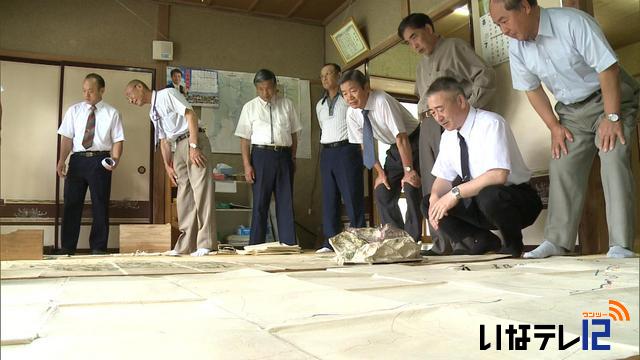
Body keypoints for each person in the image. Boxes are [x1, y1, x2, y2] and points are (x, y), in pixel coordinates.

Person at [489, 0, 640, 258]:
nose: (504, 30)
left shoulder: (573, 22)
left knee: (612, 157)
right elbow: (532, 89)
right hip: (571, 111)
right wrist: (554, 127)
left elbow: (608, 69)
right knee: (561, 162)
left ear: (525, 6)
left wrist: (612, 117)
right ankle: (556, 242)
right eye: (497, 24)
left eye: (504, 20)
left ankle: (620, 245)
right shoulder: (517, 46)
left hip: (609, 99)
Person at [398, 13, 497, 255]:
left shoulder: (454, 47)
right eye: (408, 43)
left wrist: (470, 111)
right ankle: (441, 244)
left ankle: (466, 241)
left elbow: (486, 76)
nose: (414, 45)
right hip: (427, 126)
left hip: (450, 123)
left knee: (456, 181)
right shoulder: (422, 65)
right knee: (432, 185)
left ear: (429, 28)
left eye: (415, 37)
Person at [426, 77, 542, 257]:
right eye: (432, 112)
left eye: (440, 109)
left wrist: (454, 194)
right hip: (480, 203)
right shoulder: (448, 137)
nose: (438, 117)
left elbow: (498, 176)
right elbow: (443, 178)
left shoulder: (491, 123)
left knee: (489, 194)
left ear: (460, 101)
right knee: (428, 202)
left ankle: (513, 246)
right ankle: (481, 240)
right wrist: (435, 198)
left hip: (516, 199)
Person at [125, 79, 216, 256]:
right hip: (178, 147)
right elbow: (163, 140)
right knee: (184, 196)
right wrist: (167, 166)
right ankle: (186, 246)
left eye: (130, 95)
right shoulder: (153, 112)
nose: (130, 100)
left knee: (202, 191)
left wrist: (194, 146)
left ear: (139, 87)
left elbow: (190, 115)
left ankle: (206, 243)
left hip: (192, 140)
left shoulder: (167, 94)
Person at [339, 70, 423, 242]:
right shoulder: (352, 113)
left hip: (414, 141)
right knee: (382, 191)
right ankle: (395, 237)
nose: (349, 97)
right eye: (345, 94)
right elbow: (365, 145)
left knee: (411, 186)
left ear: (366, 87)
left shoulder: (381, 100)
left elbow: (402, 137)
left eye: (353, 91)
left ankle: (412, 239)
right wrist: (380, 173)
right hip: (394, 148)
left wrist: (408, 171)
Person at [56, 73, 124, 255]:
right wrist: (62, 160)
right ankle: (67, 247)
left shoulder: (112, 113)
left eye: (91, 91)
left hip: (100, 160)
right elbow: (67, 138)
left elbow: (118, 140)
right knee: (71, 203)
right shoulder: (74, 110)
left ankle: (98, 247)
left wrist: (115, 160)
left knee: (100, 204)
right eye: (84, 91)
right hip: (77, 160)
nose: (86, 95)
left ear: (102, 90)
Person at [235, 69, 302, 246]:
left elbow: (294, 135)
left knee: (285, 202)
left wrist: (293, 158)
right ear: (257, 89)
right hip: (261, 157)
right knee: (260, 204)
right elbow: (244, 139)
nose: (266, 93)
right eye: (261, 89)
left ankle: (288, 244)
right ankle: (255, 245)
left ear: (275, 86)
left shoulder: (287, 104)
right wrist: (247, 165)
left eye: (269, 88)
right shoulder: (249, 107)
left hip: (284, 155)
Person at [315, 63, 365, 253]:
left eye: (328, 74)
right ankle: (330, 242)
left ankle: (359, 240)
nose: (325, 78)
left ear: (338, 75)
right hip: (327, 152)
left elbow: (360, 125)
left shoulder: (347, 99)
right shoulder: (319, 104)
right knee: (329, 198)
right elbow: (323, 127)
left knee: (352, 196)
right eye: (322, 76)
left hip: (347, 149)